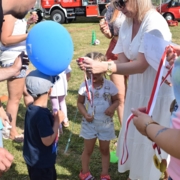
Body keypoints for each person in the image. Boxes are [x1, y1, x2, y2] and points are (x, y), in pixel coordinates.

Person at [77, 0, 175, 179]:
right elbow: (122, 62)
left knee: (152, 139)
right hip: (137, 89)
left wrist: (104, 66)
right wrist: (95, 65)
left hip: (156, 92)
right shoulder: (126, 23)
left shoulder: (154, 22)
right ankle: (136, 174)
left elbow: (141, 66)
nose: (120, 8)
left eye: (123, 2)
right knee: (138, 137)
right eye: (117, 3)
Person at [0, 0, 36, 175]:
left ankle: (11, 129)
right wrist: (29, 36)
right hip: (13, 58)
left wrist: (28, 24)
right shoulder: (9, 13)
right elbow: (5, 39)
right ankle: (11, 131)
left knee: (20, 95)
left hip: (18, 58)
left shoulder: (15, 14)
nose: (33, 5)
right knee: (14, 99)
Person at [77, 52, 120, 180]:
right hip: (89, 125)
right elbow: (79, 102)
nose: (93, 75)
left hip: (105, 125)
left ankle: (105, 174)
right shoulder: (84, 86)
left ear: (103, 70)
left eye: (97, 72)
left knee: (105, 150)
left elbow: (117, 100)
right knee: (88, 150)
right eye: (90, 72)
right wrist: (85, 114)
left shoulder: (110, 86)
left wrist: (112, 107)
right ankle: (84, 172)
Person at [23, 70, 64, 180]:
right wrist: (57, 122)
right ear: (50, 90)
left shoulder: (31, 108)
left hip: (33, 159)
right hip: (42, 163)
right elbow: (47, 141)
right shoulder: (41, 115)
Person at [99, 2, 126, 125]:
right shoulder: (112, 7)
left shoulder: (136, 4)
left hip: (136, 52)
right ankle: (125, 135)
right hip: (116, 50)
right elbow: (110, 34)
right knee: (120, 97)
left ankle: (136, 133)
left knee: (135, 94)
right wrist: (105, 30)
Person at [50, 65, 72, 134]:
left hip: (52, 86)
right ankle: (65, 120)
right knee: (62, 103)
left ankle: (58, 125)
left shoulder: (49, 61)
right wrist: (66, 82)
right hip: (62, 86)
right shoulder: (64, 61)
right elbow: (68, 75)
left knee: (55, 106)